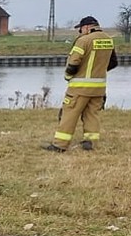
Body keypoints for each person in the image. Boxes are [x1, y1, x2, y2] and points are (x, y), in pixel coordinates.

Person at [45, 16, 118, 152]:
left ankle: (60, 145)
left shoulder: (83, 40)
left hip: (80, 88)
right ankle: (91, 142)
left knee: (69, 114)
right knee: (92, 115)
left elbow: (73, 62)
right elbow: (114, 62)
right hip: (99, 88)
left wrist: (68, 76)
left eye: (80, 29)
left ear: (86, 27)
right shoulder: (108, 40)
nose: (80, 32)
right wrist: (98, 71)